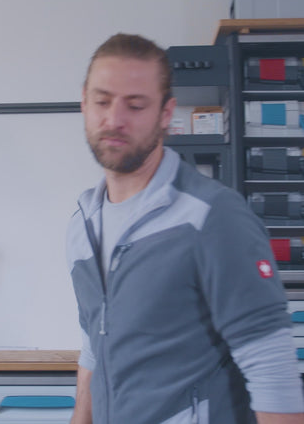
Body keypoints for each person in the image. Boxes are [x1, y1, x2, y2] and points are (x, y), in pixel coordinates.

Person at [66, 33, 304, 424]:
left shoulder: (212, 216)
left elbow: (270, 365)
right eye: (102, 101)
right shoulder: (83, 225)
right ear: (84, 104)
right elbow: (94, 343)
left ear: (166, 114)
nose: (115, 119)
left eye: (136, 105)